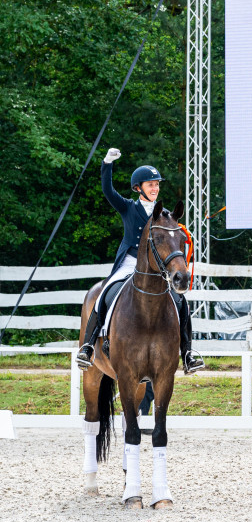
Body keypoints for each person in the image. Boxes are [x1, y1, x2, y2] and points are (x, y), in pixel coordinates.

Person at [76, 148, 203, 374]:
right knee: (104, 293)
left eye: (157, 185)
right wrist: (107, 164)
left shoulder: (165, 214)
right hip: (129, 262)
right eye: (150, 184)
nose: (155, 188)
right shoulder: (128, 207)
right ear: (138, 188)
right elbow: (107, 190)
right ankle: (88, 345)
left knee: (181, 301)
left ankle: (187, 353)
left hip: (156, 267)